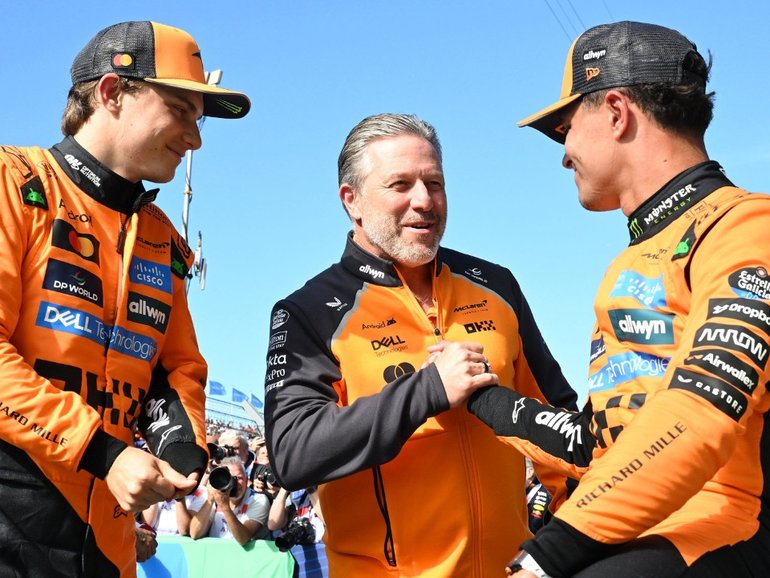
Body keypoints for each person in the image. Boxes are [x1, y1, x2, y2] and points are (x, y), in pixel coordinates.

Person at [468, 20, 770, 577]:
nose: (563, 155)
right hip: (640, 529)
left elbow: (703, 407)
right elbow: (599, 444)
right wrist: (479, 396)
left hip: (726, 523)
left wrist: (547, 555)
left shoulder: (747, 225)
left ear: (614, 112)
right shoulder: (629, 262)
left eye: (564, 129)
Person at [263, 113, 578, 577]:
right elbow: (293, 453)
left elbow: (558, 419)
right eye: (400, 185)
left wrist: (579, 541)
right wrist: (428, 390)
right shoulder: (310, 310)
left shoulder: (496, 284)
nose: (424, 201)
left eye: (435, 183)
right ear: (352, 201)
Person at [0, 20, 250, 577]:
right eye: (181, 111)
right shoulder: (12, 182)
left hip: (109, 549)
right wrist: (104, 453)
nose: (196, 138)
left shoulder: (163, 237)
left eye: (199, 120)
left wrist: (182, 445)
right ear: (112, 93)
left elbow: (177, 364)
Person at [189, 456, 271, 545]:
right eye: (229, 478)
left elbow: (243, 539)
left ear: (247, 480)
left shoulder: (258, 500)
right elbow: (195, 534)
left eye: (239, 478)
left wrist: (225, 507)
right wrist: (210, 500)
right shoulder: (214, 496)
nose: (234, 483)